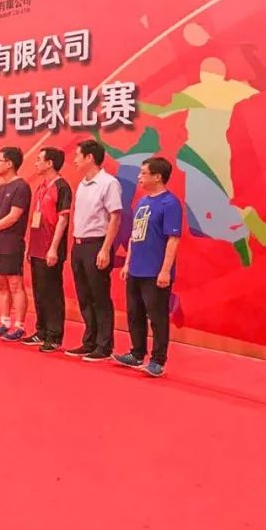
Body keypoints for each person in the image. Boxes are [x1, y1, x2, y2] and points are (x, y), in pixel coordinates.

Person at [116, 157, 182, 378]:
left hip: (155, 271)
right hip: (136, 268)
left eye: (144, 173)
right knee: (134, 313)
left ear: (157, 177)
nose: (139, 177)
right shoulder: (142, 202)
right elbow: (134, 236)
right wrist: (127, 262)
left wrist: (165, 270)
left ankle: (157, 360)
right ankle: (137, 353)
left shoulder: (170, 203)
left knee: (157, 316)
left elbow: (173, 239)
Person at [68, 139, 123, 361]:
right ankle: (89, 341)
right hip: (78, 245)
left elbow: (115, 217)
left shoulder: (108, 183)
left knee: (100, 297)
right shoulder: (82, 183)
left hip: (97, 245)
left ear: (90, 157)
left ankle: (104, 346)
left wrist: (106, 249)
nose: (74, 160)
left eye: (77, 155)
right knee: (84, 296)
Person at [0, 147, 31, 342]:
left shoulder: (21, 186)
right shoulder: (1, 187)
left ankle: (19, 325)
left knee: (15, 284)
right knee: (0, 283)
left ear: (10, 163)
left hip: (11, 241)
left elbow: (14, 216)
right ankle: (4, 322)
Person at [26, 148, 73, 353]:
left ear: (50, 163)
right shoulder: (41, 186)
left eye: (39, 160)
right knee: (39, 291)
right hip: (36, 247)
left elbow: (63, 219)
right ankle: (41, 330)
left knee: (52, 292)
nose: (36, 163)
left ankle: (54, 336)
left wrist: (53, 248)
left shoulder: (61, 187)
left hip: (50, 248)